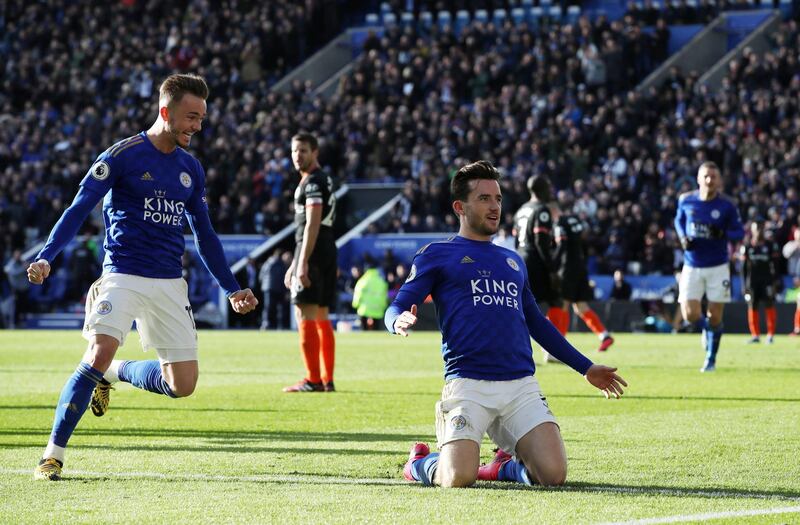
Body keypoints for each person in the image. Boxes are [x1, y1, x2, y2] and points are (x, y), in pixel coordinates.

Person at [26, 73, 258, 481]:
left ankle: (115, 372)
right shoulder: (122, 155)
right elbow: (78, 209)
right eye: (190, 117)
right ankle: (53, 454)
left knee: (182, 385)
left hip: (169, 282)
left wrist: (232, 287)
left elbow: (205, 234)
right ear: (165, 111)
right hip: (123, 273)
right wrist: (47, 257)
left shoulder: (191, 168)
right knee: (96, 353)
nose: (197, 126)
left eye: (202, 118)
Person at [385, 160, 626, 488]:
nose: (495, 205)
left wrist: (586, 368)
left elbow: (537, 324)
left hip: (520, 386)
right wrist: (397, 320)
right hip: (468, 384)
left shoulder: (512, 261)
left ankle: (504, 467)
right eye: (484, 198)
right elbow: (398, 304)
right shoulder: (437, 254)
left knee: (553, 475)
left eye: (498, 198)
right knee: (457, 478)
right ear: (460, 206)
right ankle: (419, 463)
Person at [674, 161, 744, 372]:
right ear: (698, 178)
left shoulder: (728, 205)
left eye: (713, 177)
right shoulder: (686, 200)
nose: (709, 180)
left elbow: (739, 233)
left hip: (718, 266)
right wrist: (682, 237)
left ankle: (711, 359)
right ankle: (708, 331)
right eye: (705, 176)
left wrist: (722, 234)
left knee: (715, 315)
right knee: (689, 314)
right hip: (692, 264)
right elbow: (679, 221)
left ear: (719, 180)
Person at [283, 132, 337, 393]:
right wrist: (296, 262)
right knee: (322, 315)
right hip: (325, 247)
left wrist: (301, 261)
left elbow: (312, 222)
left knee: (304, 312)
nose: (297, 156)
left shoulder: (313, 182)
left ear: (315, 152)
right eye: (295, 151)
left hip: (314, 250)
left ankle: (313, 379)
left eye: (303, 150)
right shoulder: (322, 179)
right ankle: (327, 379)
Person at [512, 175, 568, 361]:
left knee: (521, 306)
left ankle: (513, 346)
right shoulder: (541, 210)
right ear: (542, 189)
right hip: (536, 262)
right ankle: (553, 350)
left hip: (520, 259)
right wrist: (552, 269)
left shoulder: (521, 210)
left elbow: (515, 240)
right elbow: (541, 242)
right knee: (556, 301)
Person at [552, 205, 615, 351]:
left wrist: (553, 265)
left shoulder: (559, 224)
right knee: (581, 307)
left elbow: (561, 245)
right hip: (581, 266)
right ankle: (604, 335)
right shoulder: (577, 222)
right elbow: (587, 240)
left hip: (567, 268)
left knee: (564, 305)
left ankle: (558, 348)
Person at [739, 221, 780, 344]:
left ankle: (771, 334)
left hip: (767, 281)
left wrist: (775, 281)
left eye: (760, 228)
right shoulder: (747, 246)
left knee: (769, 305)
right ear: (752, 230)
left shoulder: (771, 245)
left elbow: (776, 265)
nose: (758, 231)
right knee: (752, 306)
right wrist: (744, 285)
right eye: (756, 229)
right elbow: (743, 268)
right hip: (752, 282)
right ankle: (755, 335)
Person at [352, 254, 389, 330]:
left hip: (364, 309)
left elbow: (358, 294)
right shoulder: (382, 281)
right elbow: (385, 296)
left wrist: (355, 305)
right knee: (377, 330)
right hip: (378, 310)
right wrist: (383, 306)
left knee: (364, 330)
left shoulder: (363, 281)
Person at [259, 249, 289, 330]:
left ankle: (265, 324)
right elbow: (284, 277)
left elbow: (261, 275)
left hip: (267, 288)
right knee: (280, 308)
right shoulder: (283, 264)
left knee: (268, 307)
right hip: (279, 289)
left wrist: (263, 285)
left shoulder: (267, 263)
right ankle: (281, 325)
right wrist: (286, 291)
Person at [782, 229, 800, 336]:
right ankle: (797, 328)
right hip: (791, 277)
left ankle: (797, 328)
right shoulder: (791, 245)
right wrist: (796, 245)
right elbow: (786, 254)